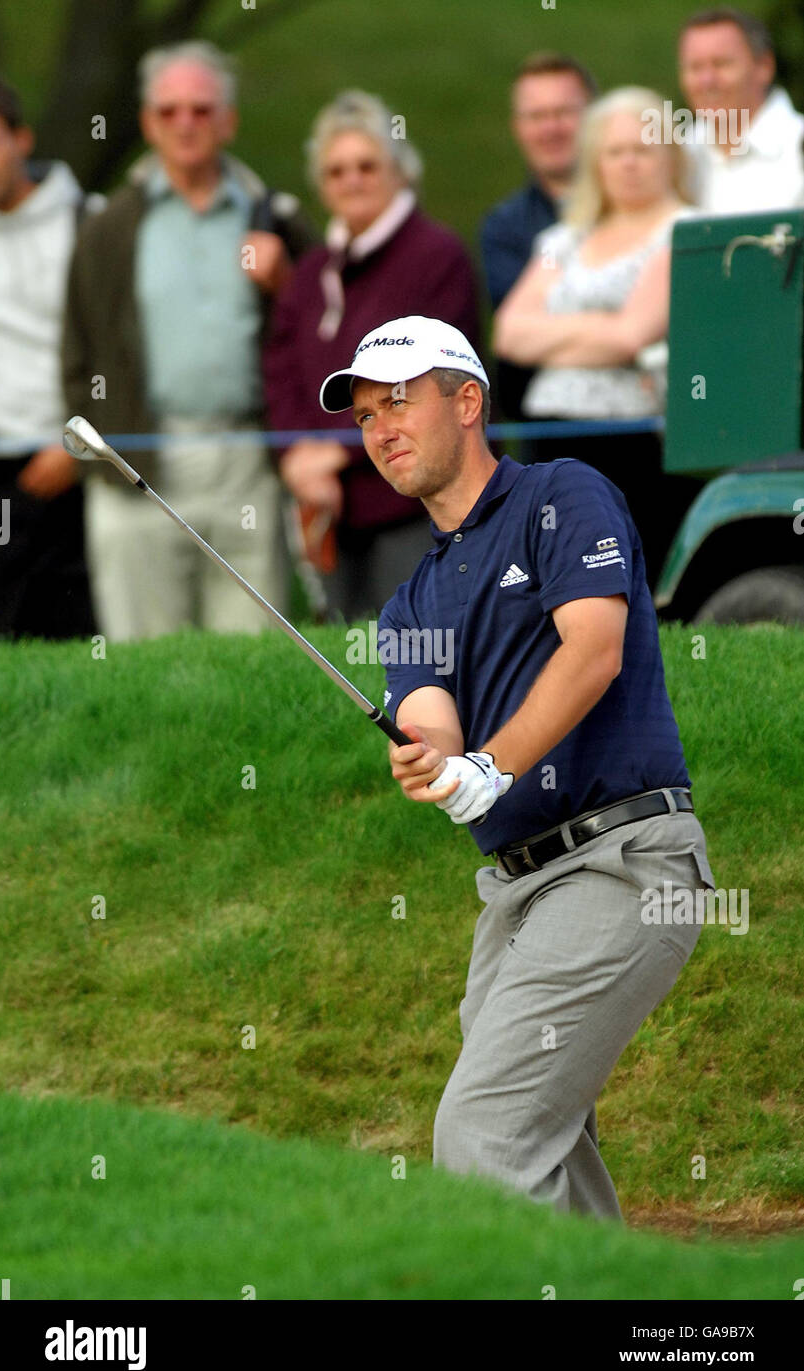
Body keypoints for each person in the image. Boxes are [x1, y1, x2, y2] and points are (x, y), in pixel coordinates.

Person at [319, 314, 715, 1222]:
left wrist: (490, 766)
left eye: (398, 403)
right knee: (546, 1146)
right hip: (515, 896)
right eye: (366, 415)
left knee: (484, 1133)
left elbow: (593, 650)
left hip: (621, 865)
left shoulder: (560, 495)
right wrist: (436, 766)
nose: (379, 429)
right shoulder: (406, 604)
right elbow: (433, 725)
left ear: (467, 402)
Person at [62, 41, 315, 642]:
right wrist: (100, 447)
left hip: (247, 461)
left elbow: (321, 332)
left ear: (228, 121)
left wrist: (285, 280)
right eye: (169, 111)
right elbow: (77, 349)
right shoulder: (108, 227)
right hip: (137, 460)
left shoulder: (274, 217)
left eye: (202, 110)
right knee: (143, 657)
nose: (185, 124)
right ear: (148, 123)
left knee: (254, 651)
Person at [265, 90, 481, 622]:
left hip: (416, 504)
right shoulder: (312, 272)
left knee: (422, 644)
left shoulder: (437, 256)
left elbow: (434, 381)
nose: (352, 181)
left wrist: (337, 451)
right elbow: (280, 368)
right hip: (330, 505)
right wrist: (298, 456)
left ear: (400, 171)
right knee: (344, 652)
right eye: (336, 171)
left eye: (367, 166)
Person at [492, 87, 697, 587]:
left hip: (632, 437)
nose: (629, 163)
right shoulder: (564, 238)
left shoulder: (685, 233)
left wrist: (553, 339)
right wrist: (599, 330)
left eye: (642, 149)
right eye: (614, 151)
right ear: (595, 162)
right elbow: (508, 332)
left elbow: (631, 336)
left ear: (670, 156)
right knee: (549, 574)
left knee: (615, 573)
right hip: (546, 435)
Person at [0, 77, 99, 639]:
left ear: (22, 139)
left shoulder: (85, 222)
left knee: (68, 636)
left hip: (66, 462)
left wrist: (75, 441)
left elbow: (116, 348)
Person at [480, 53, 597, 419]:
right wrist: (624, 332)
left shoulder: (639, 210)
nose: (551, 128)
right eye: (536, 116)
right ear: (518, 127)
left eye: (564, 112)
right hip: (549, 429)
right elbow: (518, 343)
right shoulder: (503, 228)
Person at [678, 7, 804, 213]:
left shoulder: (797, 147)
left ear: (764, 67)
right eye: (695, 67)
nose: (707, 81)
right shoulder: (679, 154)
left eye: (721, 64)